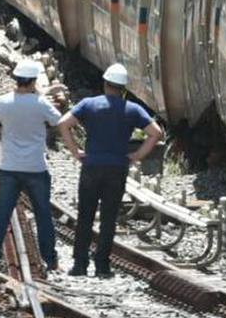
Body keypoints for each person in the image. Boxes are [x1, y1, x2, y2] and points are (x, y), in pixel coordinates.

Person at [57, 63, 163, 278]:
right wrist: (137, 156)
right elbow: (156, 133)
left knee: (85, 216)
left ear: (105, 83)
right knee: (108, 218)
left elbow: (63, 123)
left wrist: (75, 151)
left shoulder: (88, 104)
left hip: (91, 167)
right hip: (117, 169)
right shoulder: (132, 109)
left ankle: (80, 265)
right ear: (123, 89)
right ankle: (102, 266)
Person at [0, 59, 62, 272]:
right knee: (43, 215)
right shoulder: (41, 103)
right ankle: (51, 260)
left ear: (17, 79)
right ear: (33, 81)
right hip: (36, 167)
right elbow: (57, 120)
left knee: (2, 214)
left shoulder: (4, 101)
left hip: (10, 167)